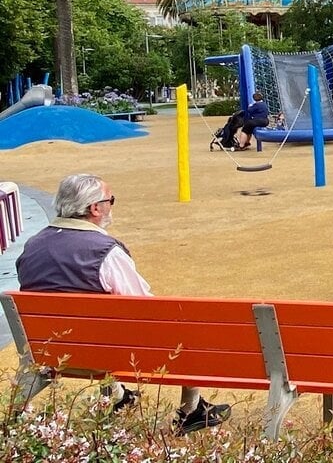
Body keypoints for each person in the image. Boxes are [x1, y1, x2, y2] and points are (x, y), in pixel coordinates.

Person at [15, 174, 232, 435]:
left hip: (47, 351)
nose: (110, 206)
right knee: (180, 324)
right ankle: (191, 410)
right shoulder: (105, 251)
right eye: (110, 200)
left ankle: (118, 397)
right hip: (102, 354)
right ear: (95, 208)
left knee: (102, 327)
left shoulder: (32, 246)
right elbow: (144, 308)